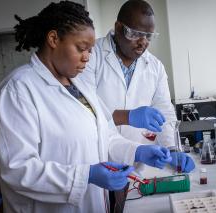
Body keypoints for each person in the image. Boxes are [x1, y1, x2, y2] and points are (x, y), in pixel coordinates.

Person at [0, 1, 172, 212]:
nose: (87, 57)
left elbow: (105, 135)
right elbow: (17, 169)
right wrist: (87, 175)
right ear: (53, 39)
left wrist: (138, 151)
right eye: (81, 48)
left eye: (90, 50)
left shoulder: (80, 86)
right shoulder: (18, 91)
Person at [80, 0, 194, 173]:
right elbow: (84, 110)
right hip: (97, 160)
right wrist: (128, 116)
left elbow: (165, 112)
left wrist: (172, 149)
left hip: (137, 162)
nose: (143, 42)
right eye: (135, 34)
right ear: (118, 28)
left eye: (149, 36)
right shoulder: (90, 56)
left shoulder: (155, 66)